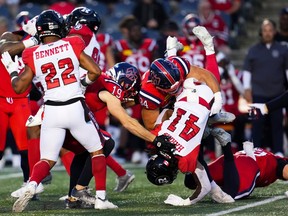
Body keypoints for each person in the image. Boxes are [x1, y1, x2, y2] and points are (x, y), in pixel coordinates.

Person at [2, 9, 117, 212]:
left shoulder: (32, 53)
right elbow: (96, 71)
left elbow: (19, 87)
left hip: (52, 111)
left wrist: (12, 70)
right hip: (74, 106)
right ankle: (100, 199)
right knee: (97, 149)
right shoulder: (72, 43)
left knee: (47, 158)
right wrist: (82, 83)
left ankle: (31, 185)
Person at [145, 78, 234, 205]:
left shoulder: (185, 160)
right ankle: (208, 121)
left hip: (207, 102)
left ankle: (207, 123)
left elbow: (205, 188)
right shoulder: (157, 136)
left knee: (191, 179)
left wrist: (185, 202)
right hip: (186, 94)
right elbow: (165, 112)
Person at [0, 11, 44, 198]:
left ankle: (30, 186)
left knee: (27, 149)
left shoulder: (41, 43)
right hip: (1, 100)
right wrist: (30, 43)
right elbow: (5, 49)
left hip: (20, 101)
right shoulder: (10, 37)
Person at [242, 18, 288, 157]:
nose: (267, 33)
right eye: (265, 31)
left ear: (274, 32)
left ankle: (279, 151)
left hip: (277, 93)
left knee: (277, 124)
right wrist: (246, 89)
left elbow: (287, 70)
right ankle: (255, 150)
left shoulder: (283, 50)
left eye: (270, 30)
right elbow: (247, 71)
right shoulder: (253, 50)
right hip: (258, 94)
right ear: (261, 32)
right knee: (257, 124)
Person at [207, 134, 288, 199]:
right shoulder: (277, 161)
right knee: (230, 195)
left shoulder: (267, 155)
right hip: (249, 165)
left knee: (202, 176)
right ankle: (226, 145)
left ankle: (226, 144)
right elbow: (285, 169)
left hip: (230, 159)